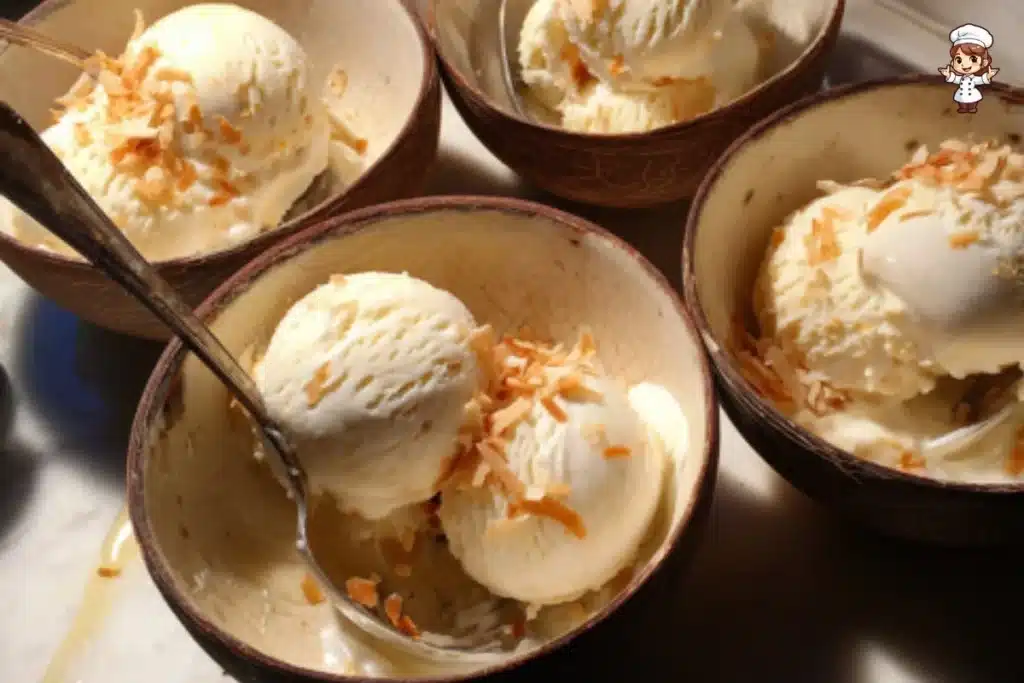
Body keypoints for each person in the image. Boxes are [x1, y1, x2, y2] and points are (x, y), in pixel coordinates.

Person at [939, 24, 999, 114]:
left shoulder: (974, 79)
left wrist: (988, 76)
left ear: (984, 62)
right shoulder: (961, 78)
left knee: (972, 101)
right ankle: (963, 107)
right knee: (961, 101)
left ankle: (972, 107)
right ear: (952, 62)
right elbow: (955, 79)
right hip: (962, 94)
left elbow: (980, 80)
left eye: (973, 59)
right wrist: (949, 75)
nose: (965, 65)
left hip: (972, 94)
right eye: (959, 60)